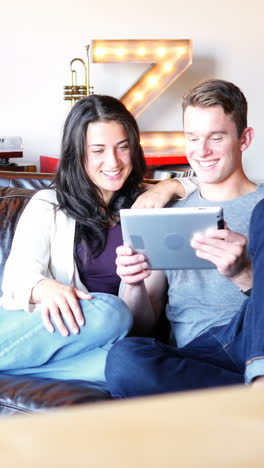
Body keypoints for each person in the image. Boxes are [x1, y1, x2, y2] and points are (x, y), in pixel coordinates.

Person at [0, 94, 196, 385]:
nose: (113, 162)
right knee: (111, 311)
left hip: (97, 343)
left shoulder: (149, 212)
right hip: (31, 327)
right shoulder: (48, 204)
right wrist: (46, 288)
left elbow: (142, 324)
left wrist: (169, 185)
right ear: (77, 153)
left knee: (130, 361)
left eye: (122, 147)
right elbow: (16, 280)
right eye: (98, 150)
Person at [105, 79, 264, 397]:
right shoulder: (164, 211)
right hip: (197, 357)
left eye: (216, 138)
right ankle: (246, 397)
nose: (201, 151)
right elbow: (140, 326)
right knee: (124, 360)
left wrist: (245, 276)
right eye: (193, 138)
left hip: (251, 337)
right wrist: (134, 282)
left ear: (244, 139)